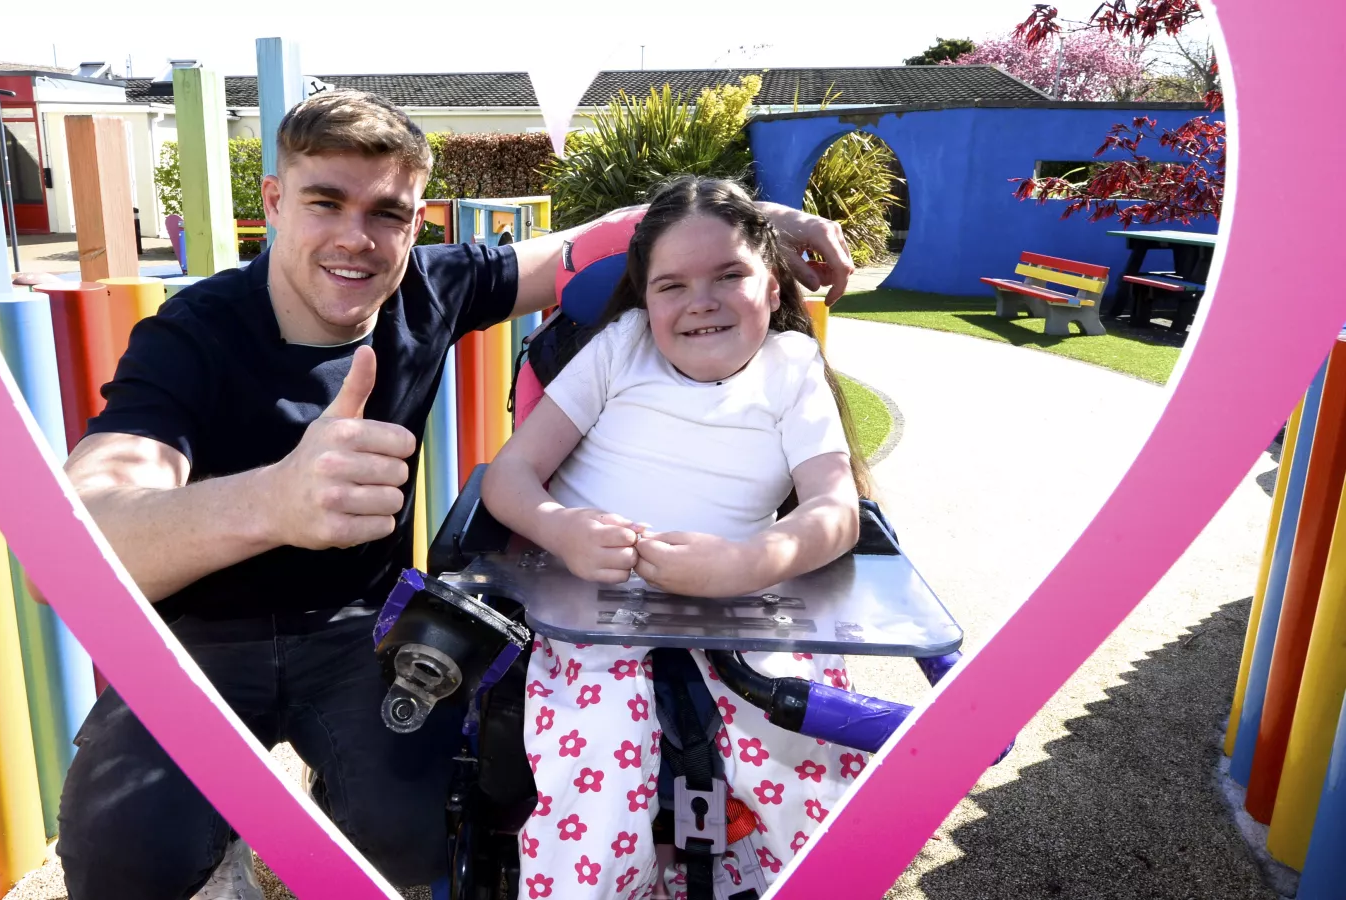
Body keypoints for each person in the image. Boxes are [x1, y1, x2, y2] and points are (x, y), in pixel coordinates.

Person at [54, 87, 857, 900]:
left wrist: (752, 215)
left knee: (422, 835)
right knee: (125, 864)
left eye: (388, 214)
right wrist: (270, 502)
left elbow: (594, 242)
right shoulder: (192, 334)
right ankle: (214, 849)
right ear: (273, 199)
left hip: (354, 632)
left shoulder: (427, 289)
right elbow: (81, 536)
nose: (356, 238)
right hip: (195, 642)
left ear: (416, 221)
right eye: (324, 201)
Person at [479, 175, 872, 900]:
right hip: (592, 607)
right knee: (599, 752)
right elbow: (508, 479)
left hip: (739, 601)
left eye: (730, 276)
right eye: (672, 286)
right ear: (646, 299)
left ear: (776, 289)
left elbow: (836, 510)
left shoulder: (792, 369)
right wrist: (560, 529)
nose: (701, 301)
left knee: (798, 742)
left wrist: (747, 562)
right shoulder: (620, 348)